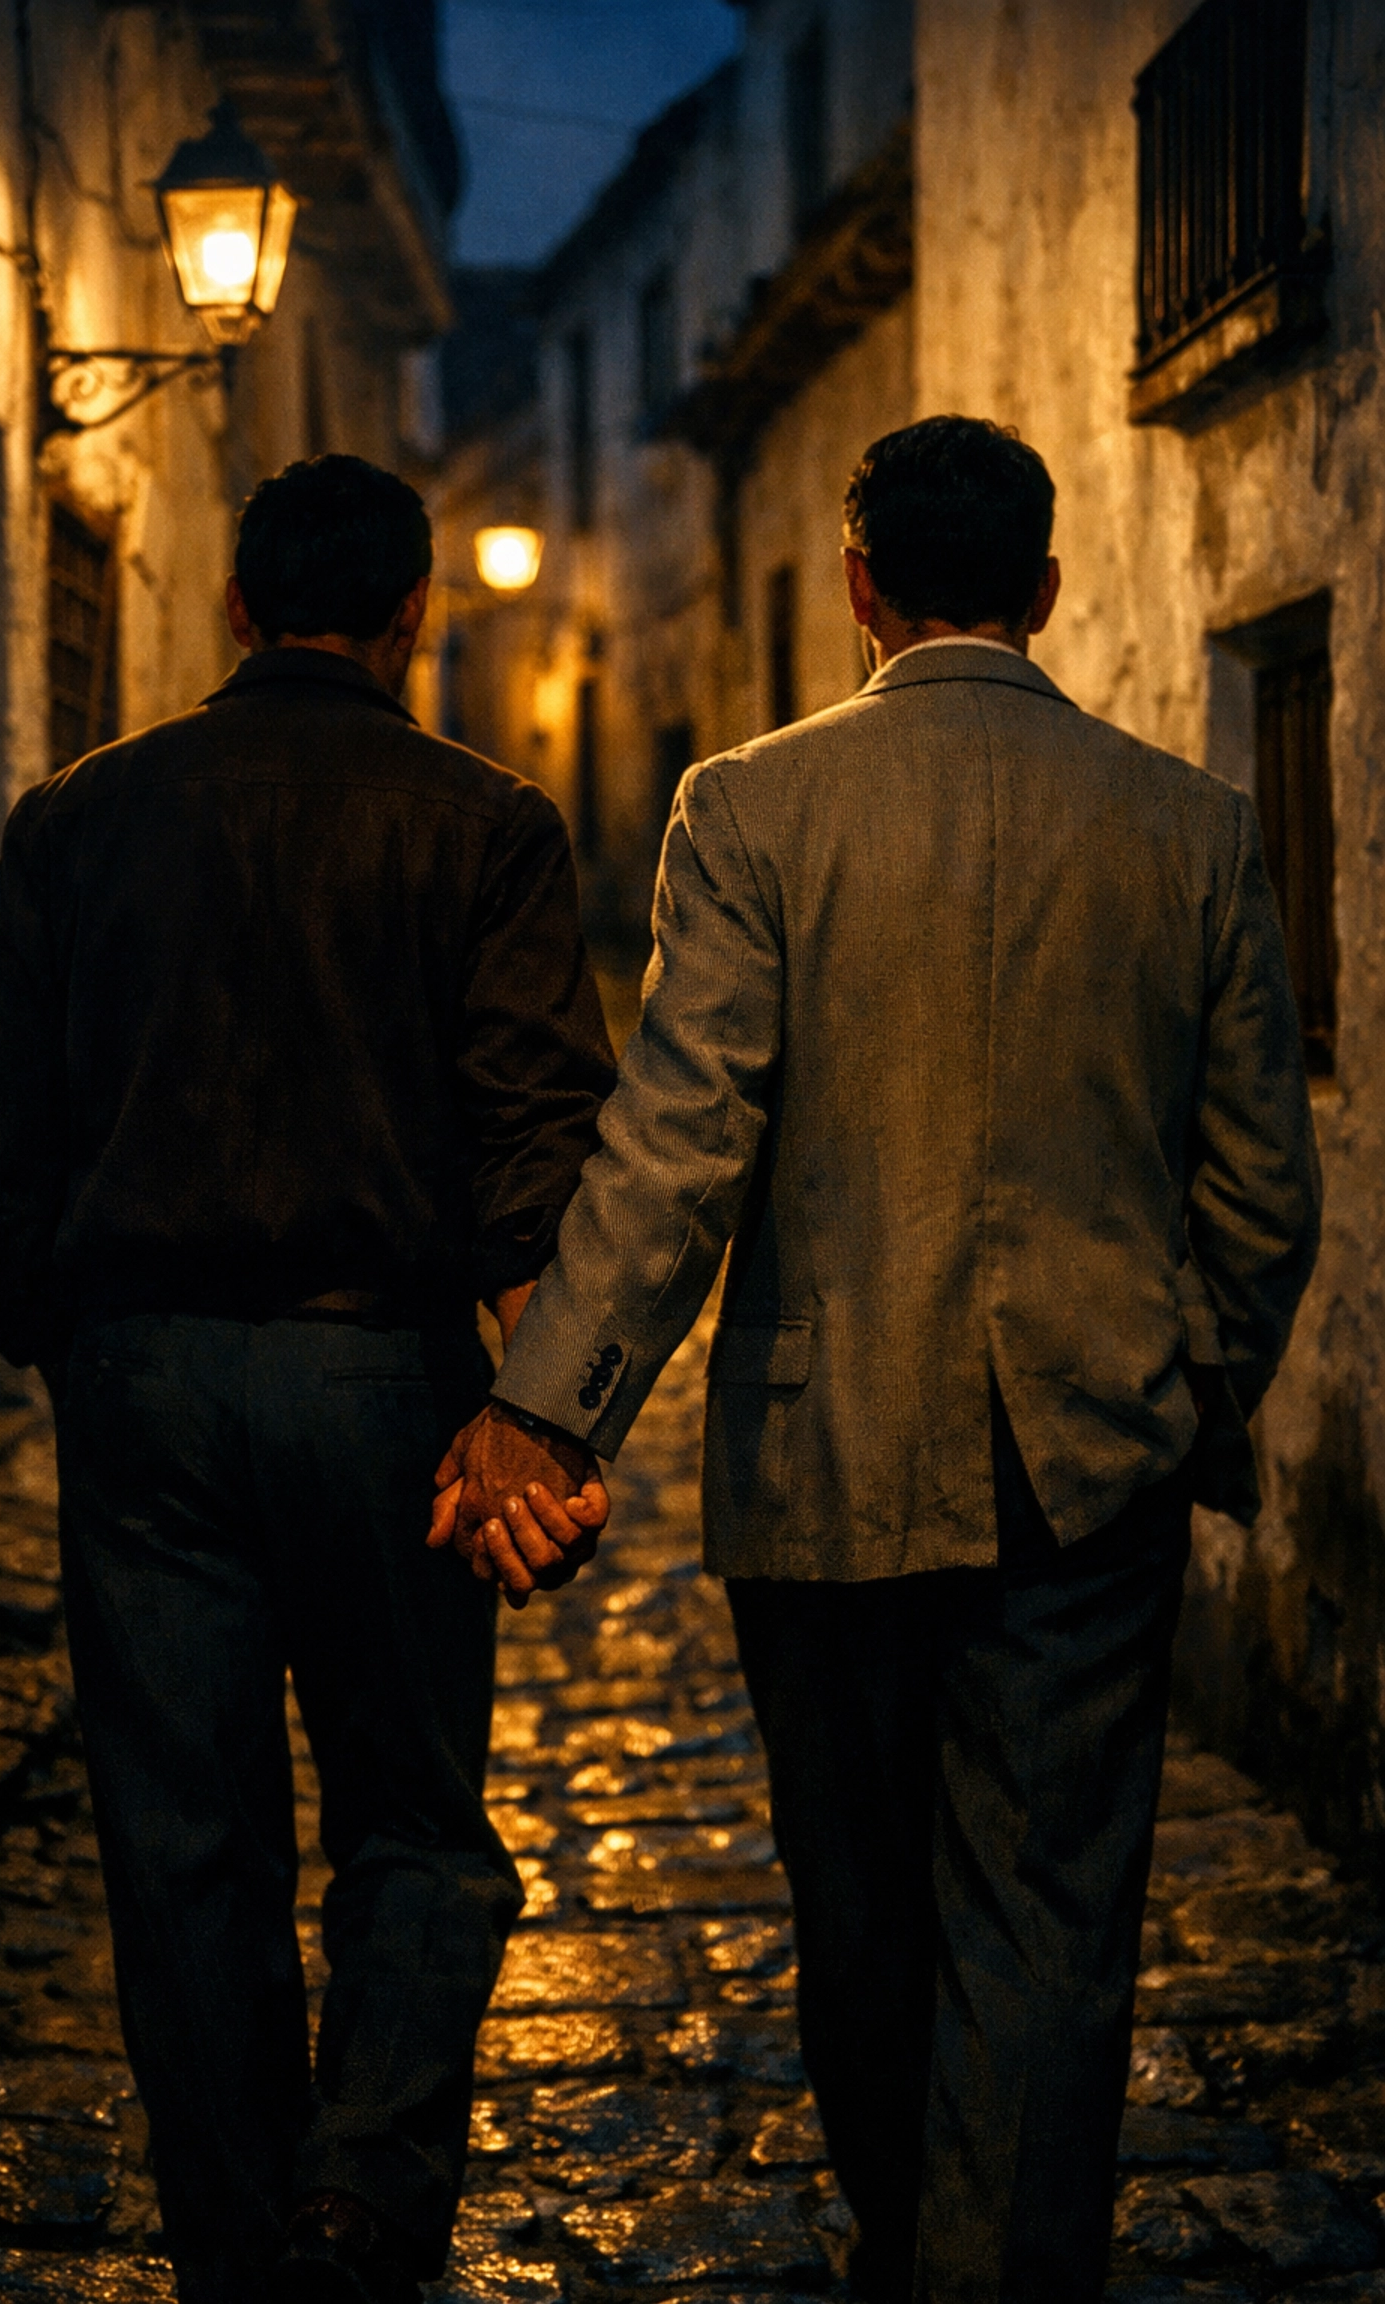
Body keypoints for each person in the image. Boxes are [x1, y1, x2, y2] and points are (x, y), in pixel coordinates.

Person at [432, 417, 1323, 2301]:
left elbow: (680, 1148)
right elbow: (1261, 1190)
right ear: (1051, 590)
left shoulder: (752, 809)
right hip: (1094, 1466)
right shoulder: (1192, 826)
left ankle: (923, 2244)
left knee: (857, 1905)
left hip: (824, 1462)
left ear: (857, 587)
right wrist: (1188, 1389)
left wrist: (543, 1407)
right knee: (1056, 1919)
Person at [0, 454, 615, 2304]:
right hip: (385, 1384)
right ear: (415, 616)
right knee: (414, 1819)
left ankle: (239, 2243)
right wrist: (537, 1408)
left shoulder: (78, 820)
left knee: (181, 1842)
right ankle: (363, 2198)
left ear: (235, 609)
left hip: (140, 1384)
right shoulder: (489, 826)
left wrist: (69, 1341)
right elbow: (545, 1144)